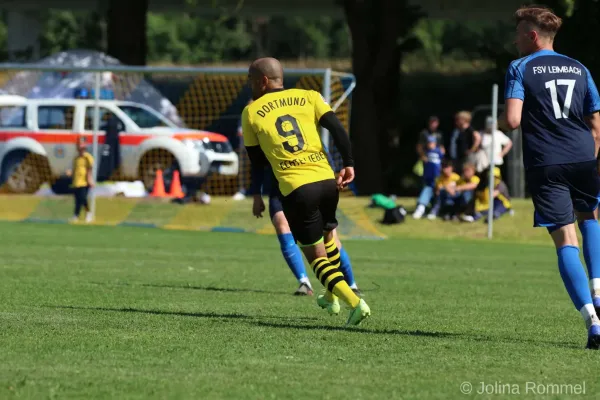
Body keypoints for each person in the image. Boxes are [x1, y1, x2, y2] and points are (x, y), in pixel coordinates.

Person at [242, 57, 370, 326]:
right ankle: (330, 294)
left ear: (263, 81)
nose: (250, 87)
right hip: (327, 180)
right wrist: (348, 164)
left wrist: (257, 194)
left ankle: (355, 302)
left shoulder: (251, 112)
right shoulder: (309, 96)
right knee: (329, 237)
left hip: (298, 189)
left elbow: (258, 163)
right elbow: (337, 129)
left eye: (251, 81)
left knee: (314, 256)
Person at [505, 5, 600, 349]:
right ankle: (599, 290)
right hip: (583, 155)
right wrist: (590, 156)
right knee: (590, 218)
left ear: (532, 35)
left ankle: (593, 321)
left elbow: (514, 121)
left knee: (565, 242)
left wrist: (504, 123)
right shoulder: (580, 67)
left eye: (518, 33)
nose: (514, 39)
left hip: (547, 161)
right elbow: (596, 124)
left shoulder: (520, 67)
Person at [251, 167, 363, 297]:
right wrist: (256, 195)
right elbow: (257, 163)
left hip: (313, 187)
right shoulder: (264, 145)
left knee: (330, 238)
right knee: (282, 226)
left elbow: (324, 156)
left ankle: (351, 284)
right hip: (281, 191)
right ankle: (304, 282)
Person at [413, 135, 444, 219]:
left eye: (431, 142)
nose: (430, 144)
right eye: (428, 143)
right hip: (428, 176)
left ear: (435, 143)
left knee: (436, 191)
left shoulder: (438, 151)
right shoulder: (425, 152)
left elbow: (442, 161)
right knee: (428, 189)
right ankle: (421, 208)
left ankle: (430, 209)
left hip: (437, 176)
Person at [69, 138, 95, 223]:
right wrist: (70, 174)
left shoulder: (88, 157)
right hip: (76, 181)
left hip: (85, 181)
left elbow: (90, 169)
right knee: (77, 200)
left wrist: (90, 179)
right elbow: (74, 170)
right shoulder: (76, 158)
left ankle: (88, 213)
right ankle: (76, 216)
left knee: (83, 198)